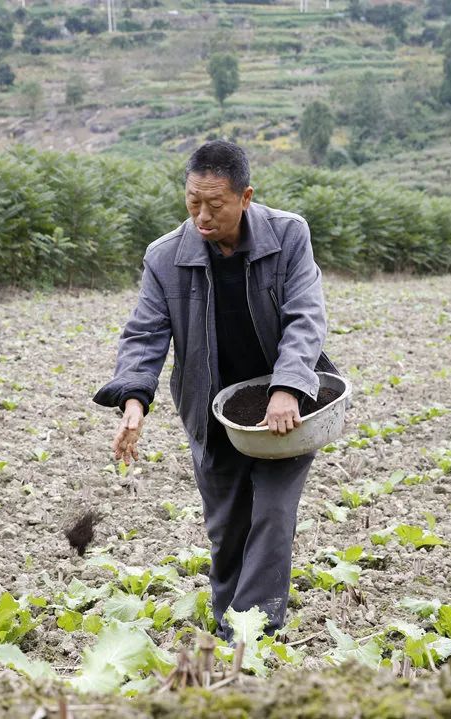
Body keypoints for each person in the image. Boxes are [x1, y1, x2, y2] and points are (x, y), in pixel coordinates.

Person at [93, 140, 337, 639]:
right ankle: (227, 622)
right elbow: (145, 334)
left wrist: (289, 386)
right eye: (192, 202)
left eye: (215, 204)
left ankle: (249, 636)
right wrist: (134, 402)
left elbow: (305, 317)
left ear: (245, 197)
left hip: (284, 408)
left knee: (271, 514)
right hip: (213, 407)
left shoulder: (288, 235)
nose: (202, 216)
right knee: (226, 530)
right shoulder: (165, 258)